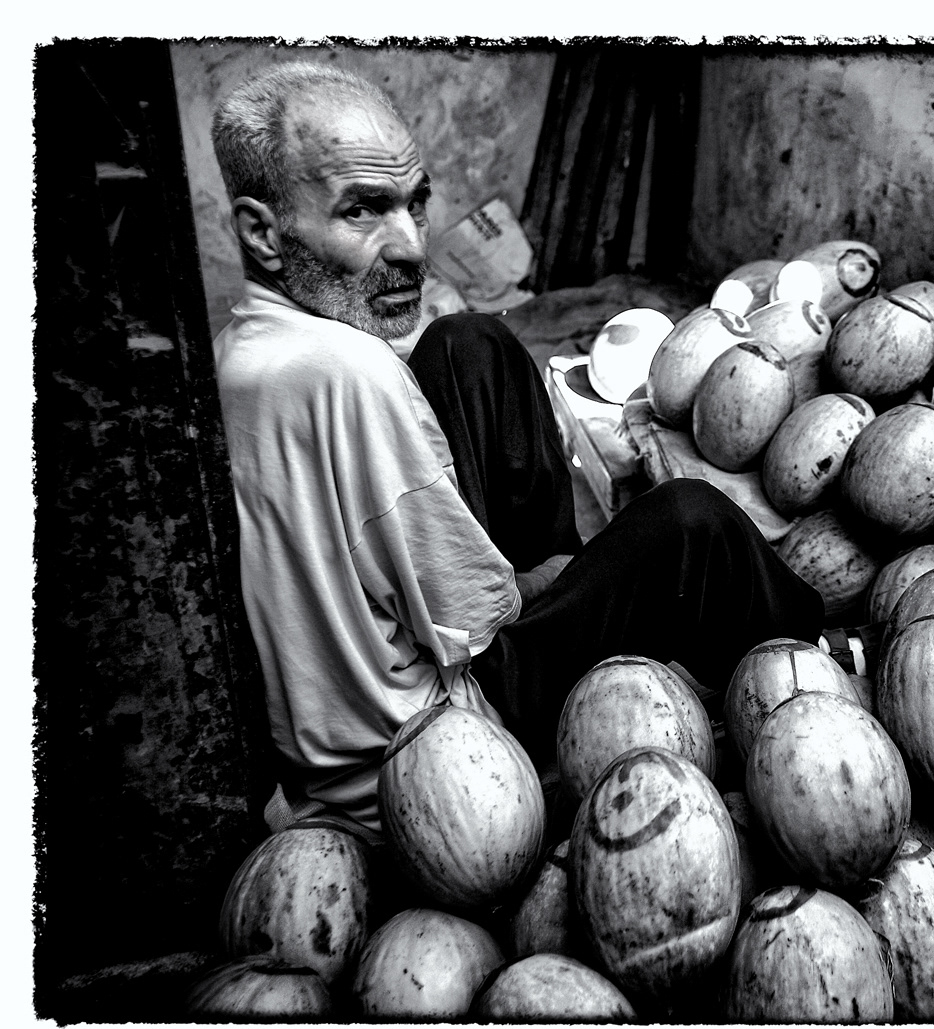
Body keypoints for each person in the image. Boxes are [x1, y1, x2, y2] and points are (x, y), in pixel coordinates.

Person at [209, 62, 824, 840]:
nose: (408, 248)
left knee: (471, 344)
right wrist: (565, 578)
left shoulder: (236, 351)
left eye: (415, 204)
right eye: (362, 211)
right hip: (437, 752)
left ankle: (576, 590)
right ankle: (824, 659)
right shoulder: (353, 377)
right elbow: (474, 618)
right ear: (262, 232)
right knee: (689, 524)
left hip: (340, 722)